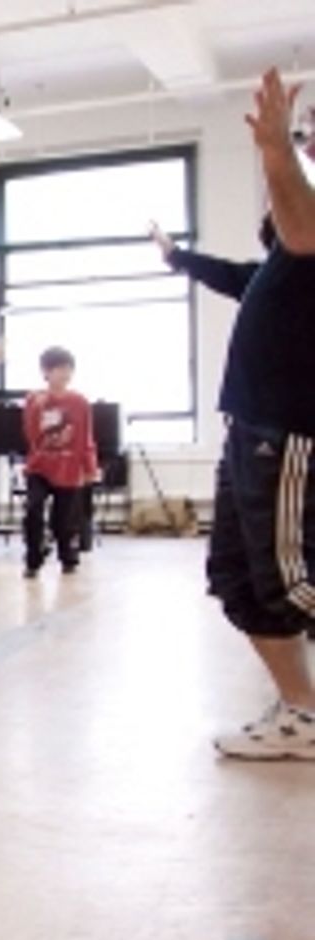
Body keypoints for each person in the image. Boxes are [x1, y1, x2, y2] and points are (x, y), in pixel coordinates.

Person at [207, 71, 315, 759]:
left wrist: (278, 151)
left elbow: (303, 230)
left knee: (289, 579)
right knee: (238, 576)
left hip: (289, 424)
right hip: (252, 423)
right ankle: (301, 711)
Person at [21, 347, 96, 577]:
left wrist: (89, 467)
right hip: (40, 466)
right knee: (33, 509)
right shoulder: (35, 400)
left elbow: (85, 436)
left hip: (68, 467)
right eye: (59, 369)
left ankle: (68, 558)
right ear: (46, 372)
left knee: (63, 519)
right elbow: (30, 434)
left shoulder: (79, 402)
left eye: (68, 369)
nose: (64, 374)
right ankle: (33, 559)